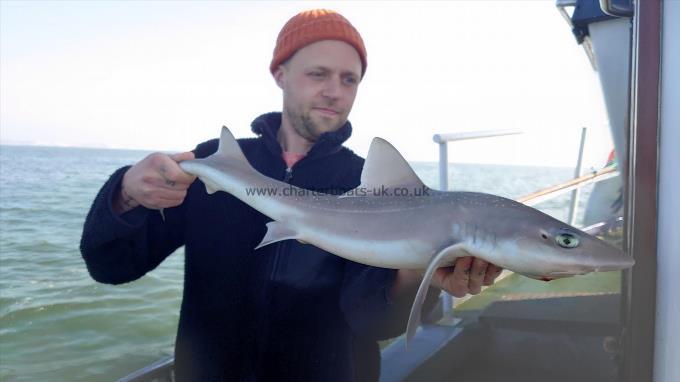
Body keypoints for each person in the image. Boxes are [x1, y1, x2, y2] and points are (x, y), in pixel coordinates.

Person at [80, 9, 503, 382]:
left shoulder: (369, 184)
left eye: (348, 79)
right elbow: (111, 265)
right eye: (318, 74)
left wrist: (416, 272)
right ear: (280, 74)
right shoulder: (216, 164)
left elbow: (372, 321)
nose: (334, 91)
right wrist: (126, 194)